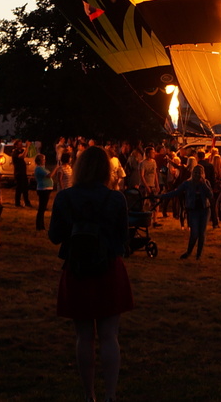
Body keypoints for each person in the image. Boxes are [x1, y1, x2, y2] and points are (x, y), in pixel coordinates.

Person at [49, 145, 133, 402]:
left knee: (83, 336)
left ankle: (89, 395)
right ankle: (110, 395)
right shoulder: (116, 198)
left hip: (77, 270)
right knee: (109, 336)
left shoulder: (65, 197)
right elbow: (123, 239)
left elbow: (54, 236)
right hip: (108, 268)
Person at [165, 164, 213, 259]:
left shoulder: (205, 183)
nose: (197, 175)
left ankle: (198, 255)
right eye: (195, 172)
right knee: (194, 233)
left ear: (203, 174)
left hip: (204, 210)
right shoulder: (188, 183)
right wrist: (163, 197)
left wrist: (203, 184)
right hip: (193, 210)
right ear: (192, 173)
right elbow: (176, 191)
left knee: (202, 233)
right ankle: (189, 252)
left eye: (199, 173)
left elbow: (210, 195)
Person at [34, 154, 54, 232]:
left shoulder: (42, 168)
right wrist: (56, 168)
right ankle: (40, 226)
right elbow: (49, 175)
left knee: (42, 208)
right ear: (40, 161)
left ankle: (41, 226)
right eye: (43, 159)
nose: (45, 160)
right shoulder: (39, 169)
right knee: (41, 208)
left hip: (46, 189)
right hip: (43, 189)